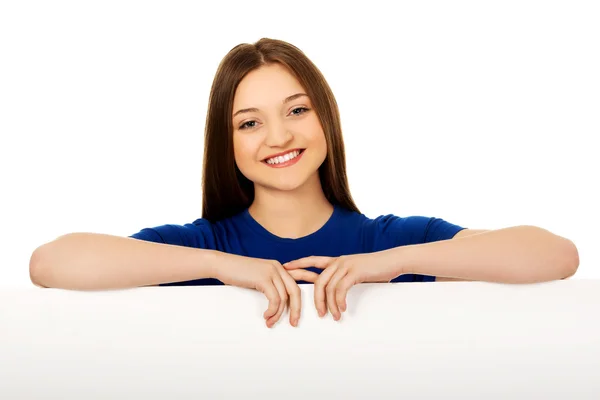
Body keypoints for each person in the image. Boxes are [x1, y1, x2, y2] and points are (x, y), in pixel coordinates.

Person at [29, 38, 580, 328]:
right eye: (249, 122)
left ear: (325, 120)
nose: (277, 135)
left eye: (296, 110)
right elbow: (50, 264)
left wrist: (390, 263)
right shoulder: (205, 247)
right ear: (228, 143)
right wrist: (222, 267)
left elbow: (555, 256)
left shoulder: (386, 241)